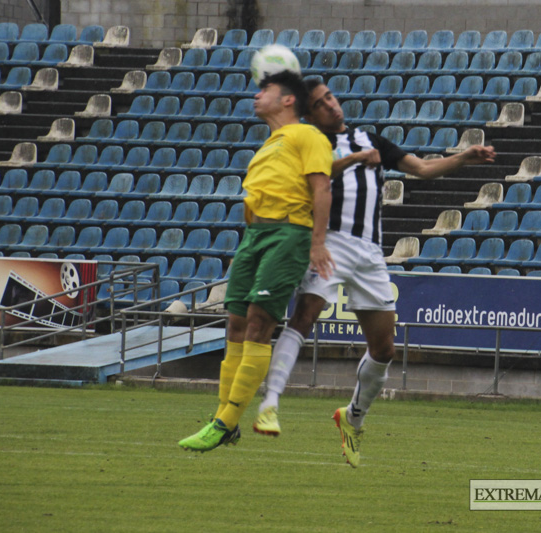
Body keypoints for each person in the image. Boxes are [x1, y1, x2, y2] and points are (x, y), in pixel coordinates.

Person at [252, 79, 496, 467]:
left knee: (384, 349)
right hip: (329, 242)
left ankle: (351, 419)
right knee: (305, 315)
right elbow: (306, 181)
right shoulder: (308, 142)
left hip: (369, 253)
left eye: (331, 97)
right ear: (310, 115)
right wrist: (351, 161)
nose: (331, 105)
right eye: (320, 103)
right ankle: (270, 402)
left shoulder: (371, 138)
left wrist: (464, 157)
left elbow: (422, 169)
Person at [178, 71, 335, 452]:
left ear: (287, 100)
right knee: (235, 323)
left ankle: (226, 420)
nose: (256, 95)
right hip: (255, 236)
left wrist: (316, 243)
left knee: (260, 324)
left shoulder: (307, 135)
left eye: (265, 90)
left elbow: (322, 188)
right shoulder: (270, 143)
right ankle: (223, 419)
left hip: (288, 234)